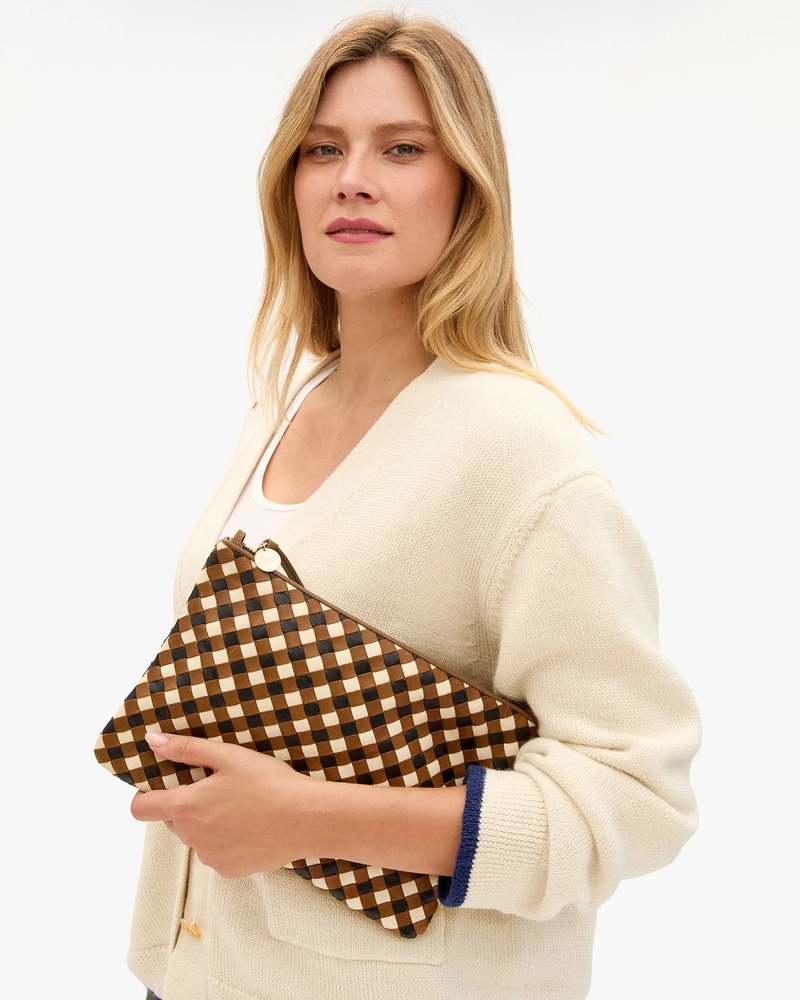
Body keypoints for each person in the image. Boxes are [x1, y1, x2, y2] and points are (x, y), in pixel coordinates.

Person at [126, 11, 702, 1000]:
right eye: (322, 149)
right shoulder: (284, 403)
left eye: (402, 149)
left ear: (467, 187)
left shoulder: (519, 449)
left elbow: (637, 796)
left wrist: (305, 817)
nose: (352, 179)